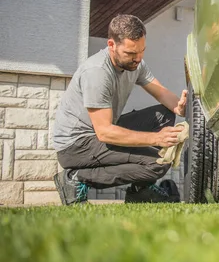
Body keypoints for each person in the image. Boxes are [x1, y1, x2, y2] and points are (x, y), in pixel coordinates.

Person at [52, 14, 187, 205]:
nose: (138, 58)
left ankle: (141, 191)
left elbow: (162, 94)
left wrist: (180, 107)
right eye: (131, 53)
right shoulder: (97, 72)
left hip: (99, 134)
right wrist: (156, 138)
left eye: (142, 51)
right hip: (76, 146)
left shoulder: (136, 64)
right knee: (158, 163)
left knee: (165, 113)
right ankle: (76, 178)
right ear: (111, 45)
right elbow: (105, 132)